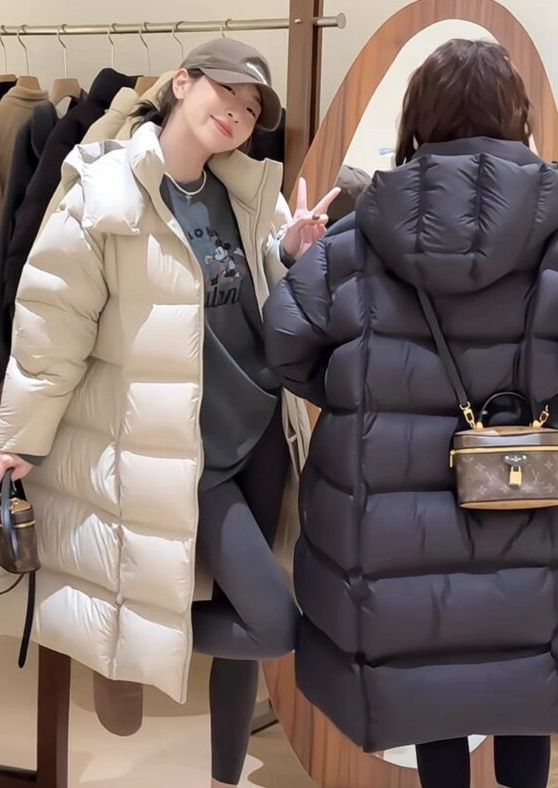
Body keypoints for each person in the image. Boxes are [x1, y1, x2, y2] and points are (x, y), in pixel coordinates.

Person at [0, 38, 339, 787]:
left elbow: (257, 303)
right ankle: (119, 635)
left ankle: (224, 777)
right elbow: (53, 319)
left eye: (251, 108)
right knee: (273, 622)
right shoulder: (104, 191)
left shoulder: (246, 192)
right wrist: (21, 436)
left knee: (247, 616)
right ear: (182, 83)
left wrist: (289, 254)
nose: (238, 114)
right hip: (182, 448)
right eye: (226, 93)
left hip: (260, 430)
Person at [263, 39, 557, 788]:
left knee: (429, 669)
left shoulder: (360, 237)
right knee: (532, 663)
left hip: (398, 525)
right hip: (537, 504)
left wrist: (360, 391)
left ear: (418, 119)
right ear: (518, 118)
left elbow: (286, 344)